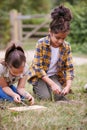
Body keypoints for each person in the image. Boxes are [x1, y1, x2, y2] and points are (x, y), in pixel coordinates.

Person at [28, 5, 74, 101]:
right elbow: (38, 68)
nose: (60, 41)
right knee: (46, 98)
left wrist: (68, 86)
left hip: (54, 76)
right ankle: (38, 88)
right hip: (40, 76)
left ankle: (52, 87)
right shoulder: (41, 43)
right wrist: (52, 84)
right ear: (50, 32)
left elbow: (69, 68)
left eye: (63, 38)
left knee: (59, 96)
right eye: (57, 38)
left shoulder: (66, 47)